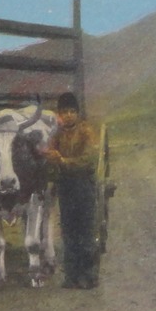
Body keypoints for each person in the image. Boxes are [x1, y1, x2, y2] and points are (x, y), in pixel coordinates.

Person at [43, 92, 100, 288]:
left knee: (84, 231)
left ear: (77, 113)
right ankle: (71, 276)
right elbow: (51, 158)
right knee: (68, 232)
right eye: (64, 112)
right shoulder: (57, 135)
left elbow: (88, 160)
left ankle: (88, 276)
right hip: (66, 187)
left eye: (72, 111)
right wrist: (51, 159)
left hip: (84, 186)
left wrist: (61, 161)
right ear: (60, 114)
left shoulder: (86, 132)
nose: (68, 115)